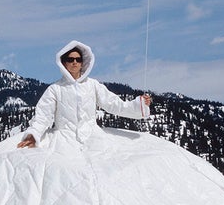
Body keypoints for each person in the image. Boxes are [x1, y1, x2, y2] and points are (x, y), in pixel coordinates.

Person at [17, 40, 151, 148]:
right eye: (70, 59)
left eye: (78, 59)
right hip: (64, 141)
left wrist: (138, 105)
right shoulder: (55, 89)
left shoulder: (93, 85)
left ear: (83, 63)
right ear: (64, 63)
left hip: (94, 138)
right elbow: (43, 115)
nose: (74, 62)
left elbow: (113, 104)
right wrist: (34, 133)